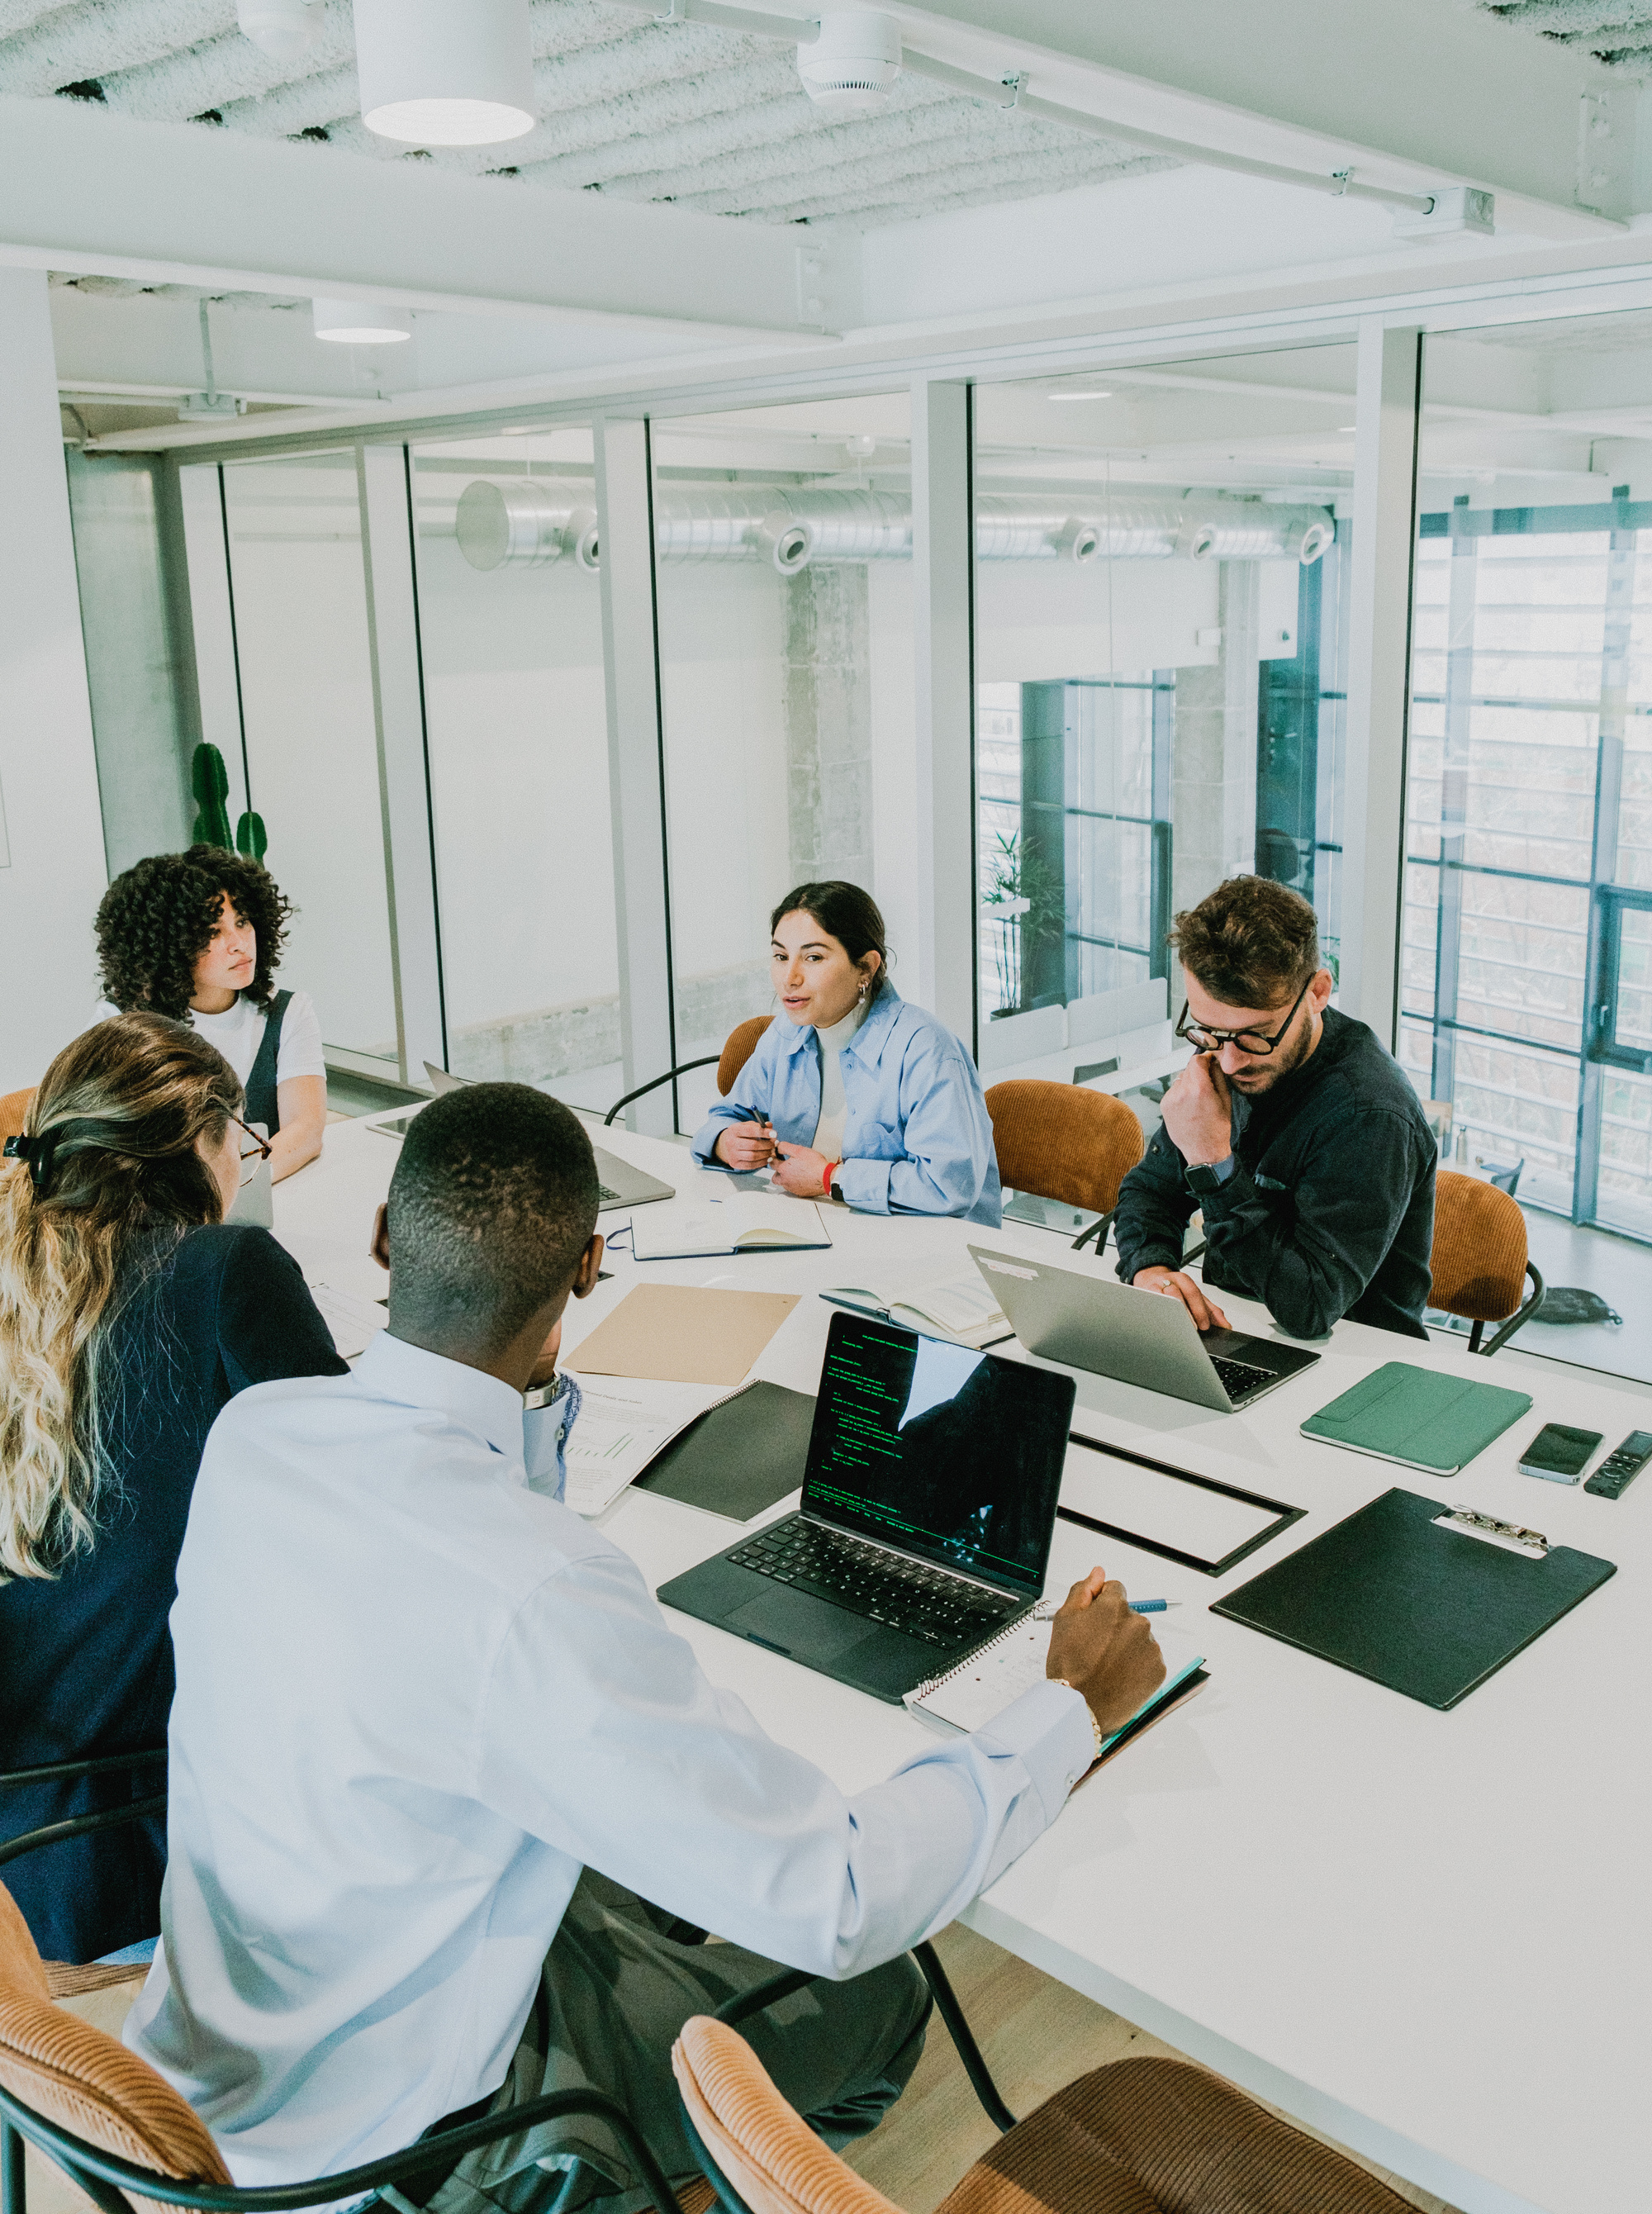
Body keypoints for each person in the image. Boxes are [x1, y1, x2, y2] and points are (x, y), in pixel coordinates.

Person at [128, 1085, 1163, 2209]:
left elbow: (475, 1561)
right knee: (885, 1998)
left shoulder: (259, 1433)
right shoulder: (536, 1589)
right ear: (586, 1267)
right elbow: (840, 1898)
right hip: (397, 2149)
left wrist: (528, 1400)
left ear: (386, 1235)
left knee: (647, 1871)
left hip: (227, 2051)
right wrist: (1068, 1706)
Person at [0, 1015, 345, 1964]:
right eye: (244, 1142)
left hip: (27, 1857)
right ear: (199, 1142)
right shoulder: (227, 1269)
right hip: (147, 1853)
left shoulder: (20, 1284)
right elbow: (360, 1501)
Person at [1112, 877, 1437, 1341]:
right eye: (1209, 1030)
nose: (1228, 1062)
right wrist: (1153, 1272)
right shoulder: (1228, 1050)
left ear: (1318, 992)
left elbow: (1310, 1308)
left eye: (1255, 1034)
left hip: (1354, 1354)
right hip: (1238, 1329)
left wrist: (1213, 1164)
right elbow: (1150, 1191)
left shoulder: (1371, 1115)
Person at [692, 881, 1001, 1223]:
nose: (789, 978)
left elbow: (949, 1187)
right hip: (816, 1227)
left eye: (813, 957)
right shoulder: (784, 1033)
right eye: (781, 956)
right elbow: (728, 1116)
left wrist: (831, 1179)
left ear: (866, 967)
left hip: (925, 1244)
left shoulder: (927, 1049)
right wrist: (725, 1142)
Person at [95, 845, 327, 1183]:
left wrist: (235, 1192)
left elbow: (305, 1131)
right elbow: (110, 1153)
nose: (239, 943)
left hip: (267, 1198)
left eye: (242, 922)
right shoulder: (117, 1024)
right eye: (213, 932)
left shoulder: (289, 1011)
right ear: (168, 945)